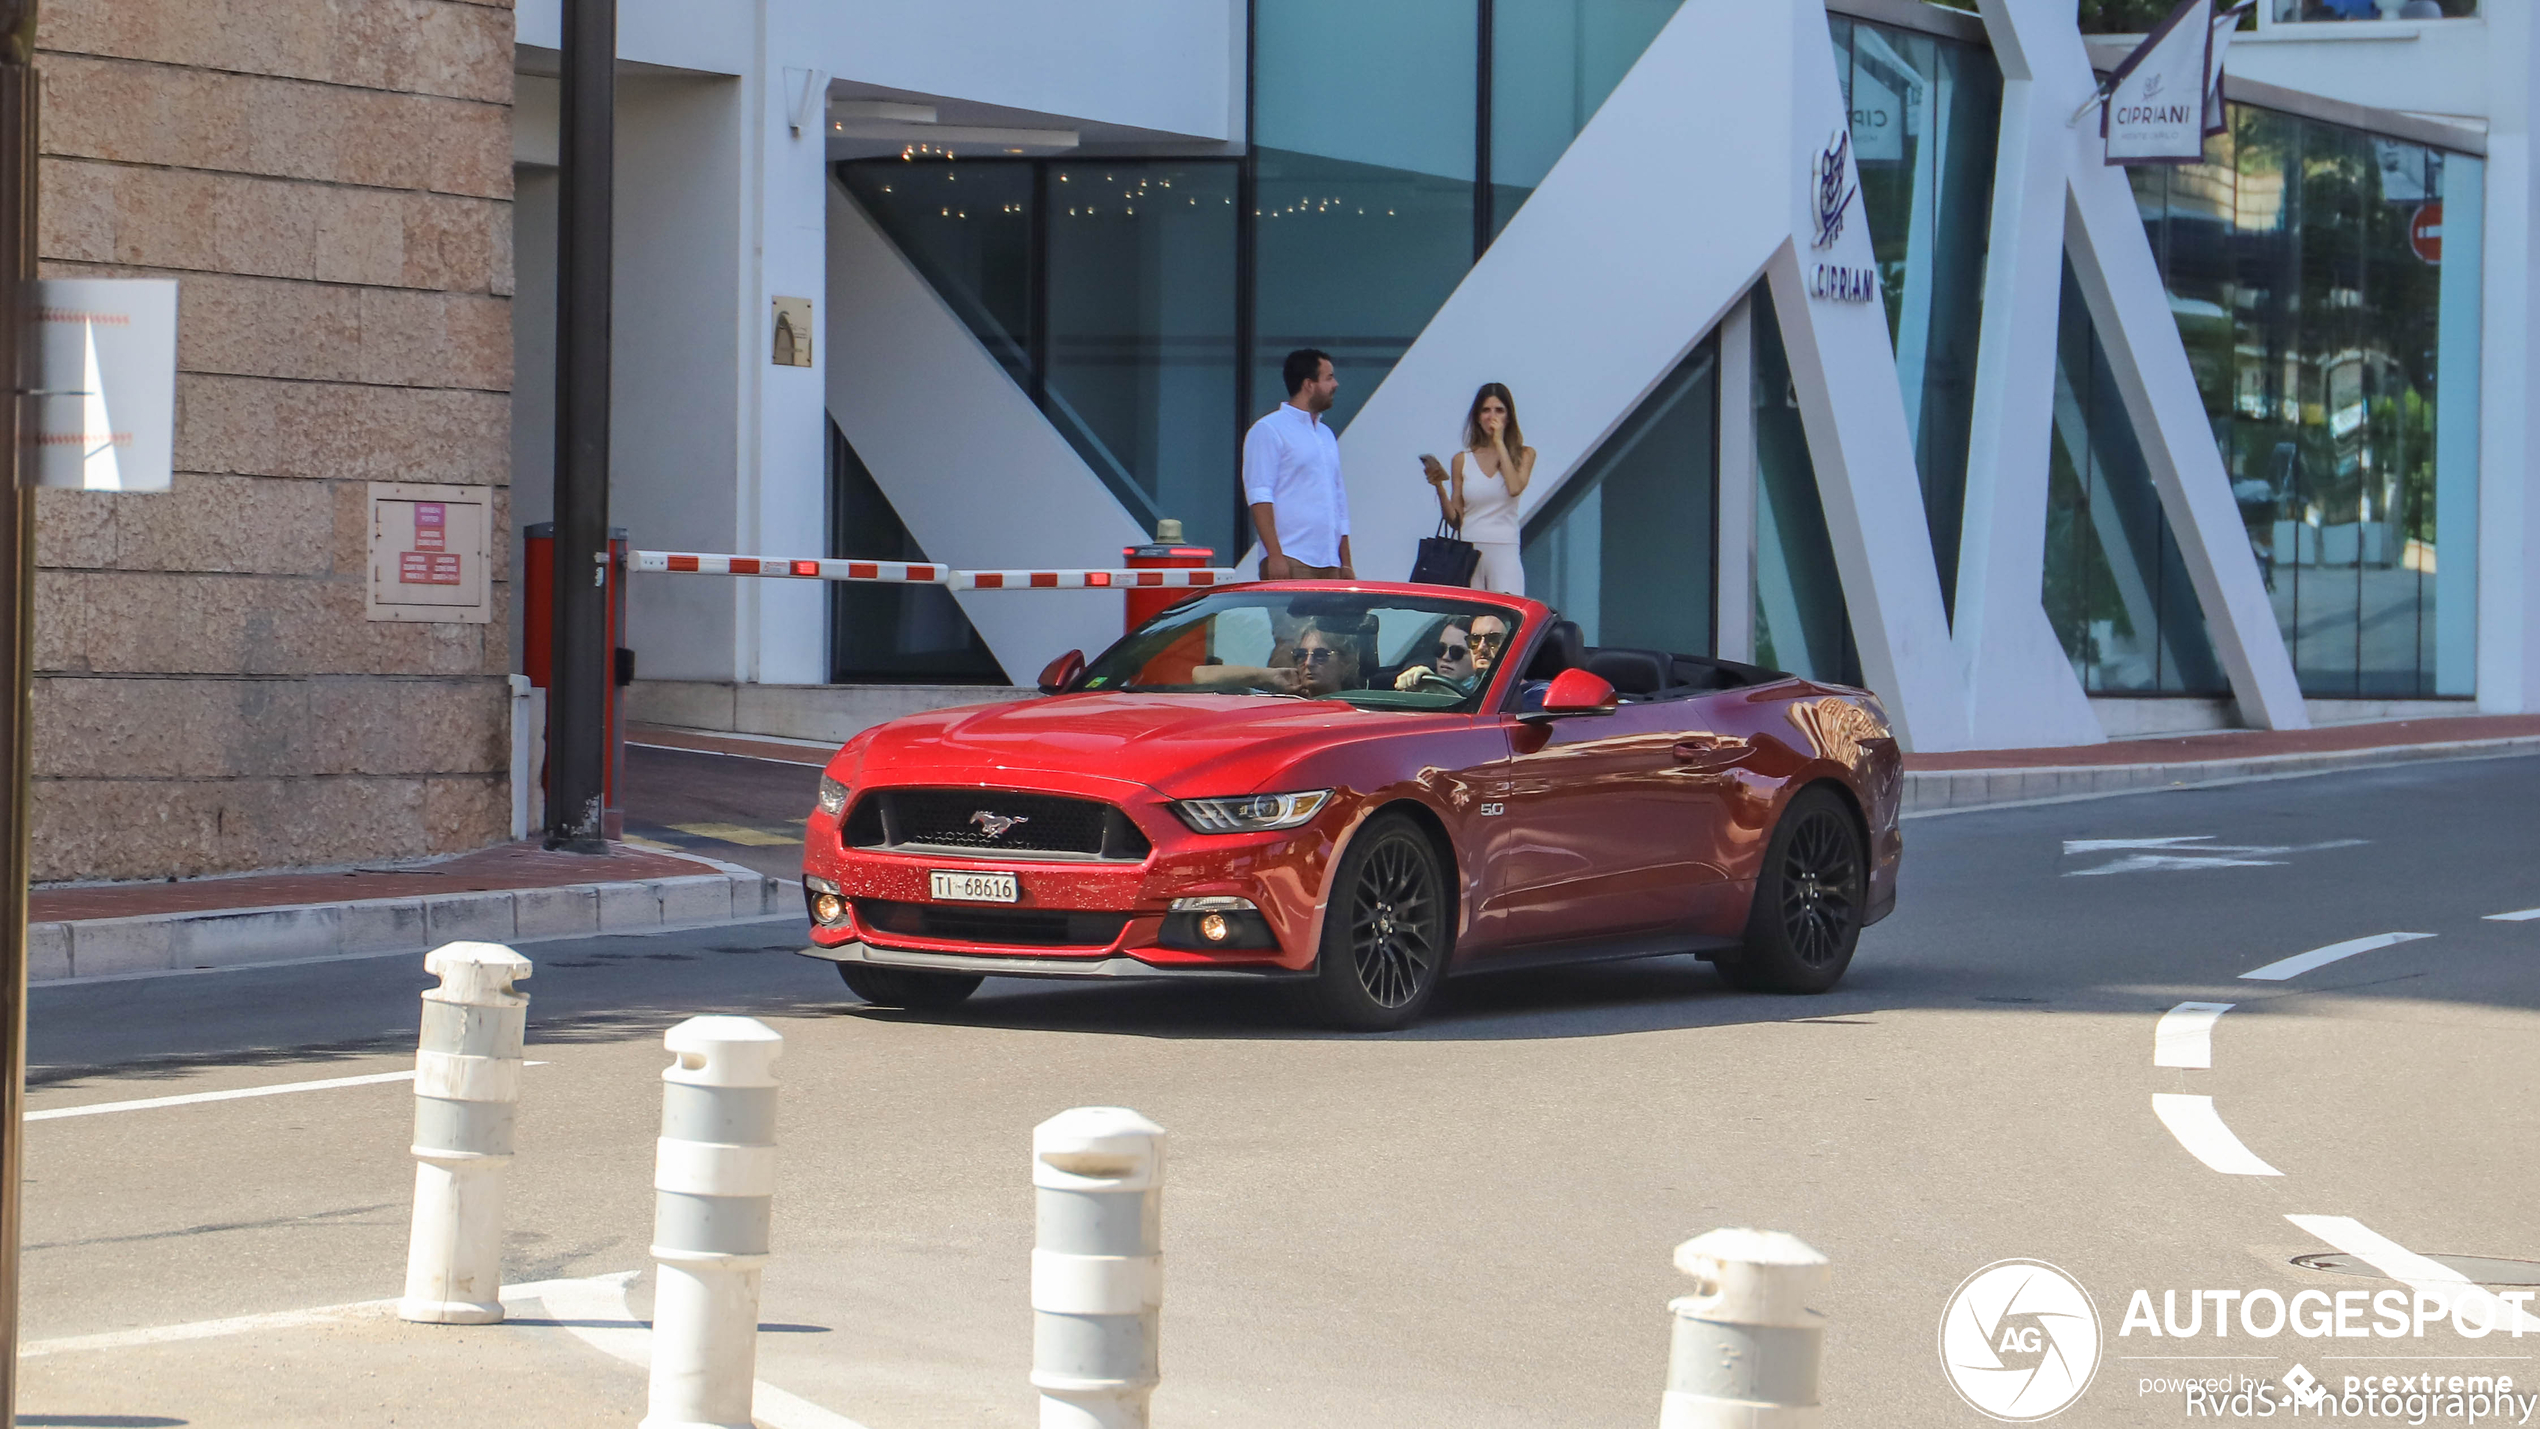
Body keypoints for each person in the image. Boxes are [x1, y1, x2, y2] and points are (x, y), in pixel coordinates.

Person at [1245, 349, 1353, 581]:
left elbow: (1338, 499)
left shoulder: (1326, 435)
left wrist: (1346, 563)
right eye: (1329, 378)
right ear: (1309, 384)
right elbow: (1259, 496)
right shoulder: (1269, 429)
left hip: (1329, 561)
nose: (1336, 384)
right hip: (1290, 557)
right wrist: (1275, 557)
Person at [1419, 382, 1533, 595]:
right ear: (1477, 416)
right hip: (1469, 550)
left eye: (1499, 410)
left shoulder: (1524, 454)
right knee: (1467, 621)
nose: (1492, 417)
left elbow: (1515, 487)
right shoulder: (1462, 460)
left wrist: (1499, 442)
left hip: (1504, 548)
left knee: (1507, 618)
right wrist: (1439, 487)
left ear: (1509, 415)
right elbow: (1456, 519)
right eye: (1486, 410)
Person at [1393, 618, 1478, 693]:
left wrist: (1437, 689)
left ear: (1476, 656)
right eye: (1440, 649)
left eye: (1457, 652)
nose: (1445, 657)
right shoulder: (1423, 681)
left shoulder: (1485, 692)